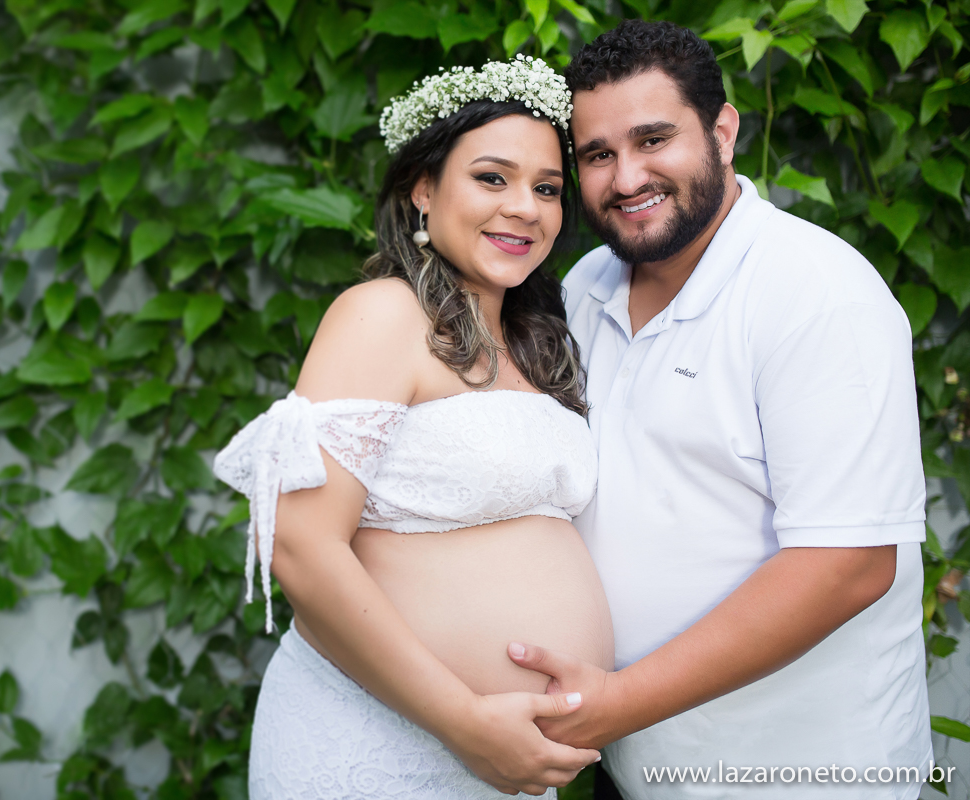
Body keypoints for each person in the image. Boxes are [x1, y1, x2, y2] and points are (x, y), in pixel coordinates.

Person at [503, 20, 932, 800]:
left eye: (653, 139)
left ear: (724, 130)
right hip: (634, 768)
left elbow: (849, 566)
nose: (625, 177)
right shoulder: (583, 288)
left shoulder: (817, 295)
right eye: (598, 154)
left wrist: (614, 706)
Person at [213, 57, 612, 799]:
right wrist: (464, 722)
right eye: (492, 178)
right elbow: (298, 546)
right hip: (384, 742)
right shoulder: (384, 314)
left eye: (547, 188)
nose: (525, 207)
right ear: (422, 190)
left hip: (507, 763)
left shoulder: (539, 344)